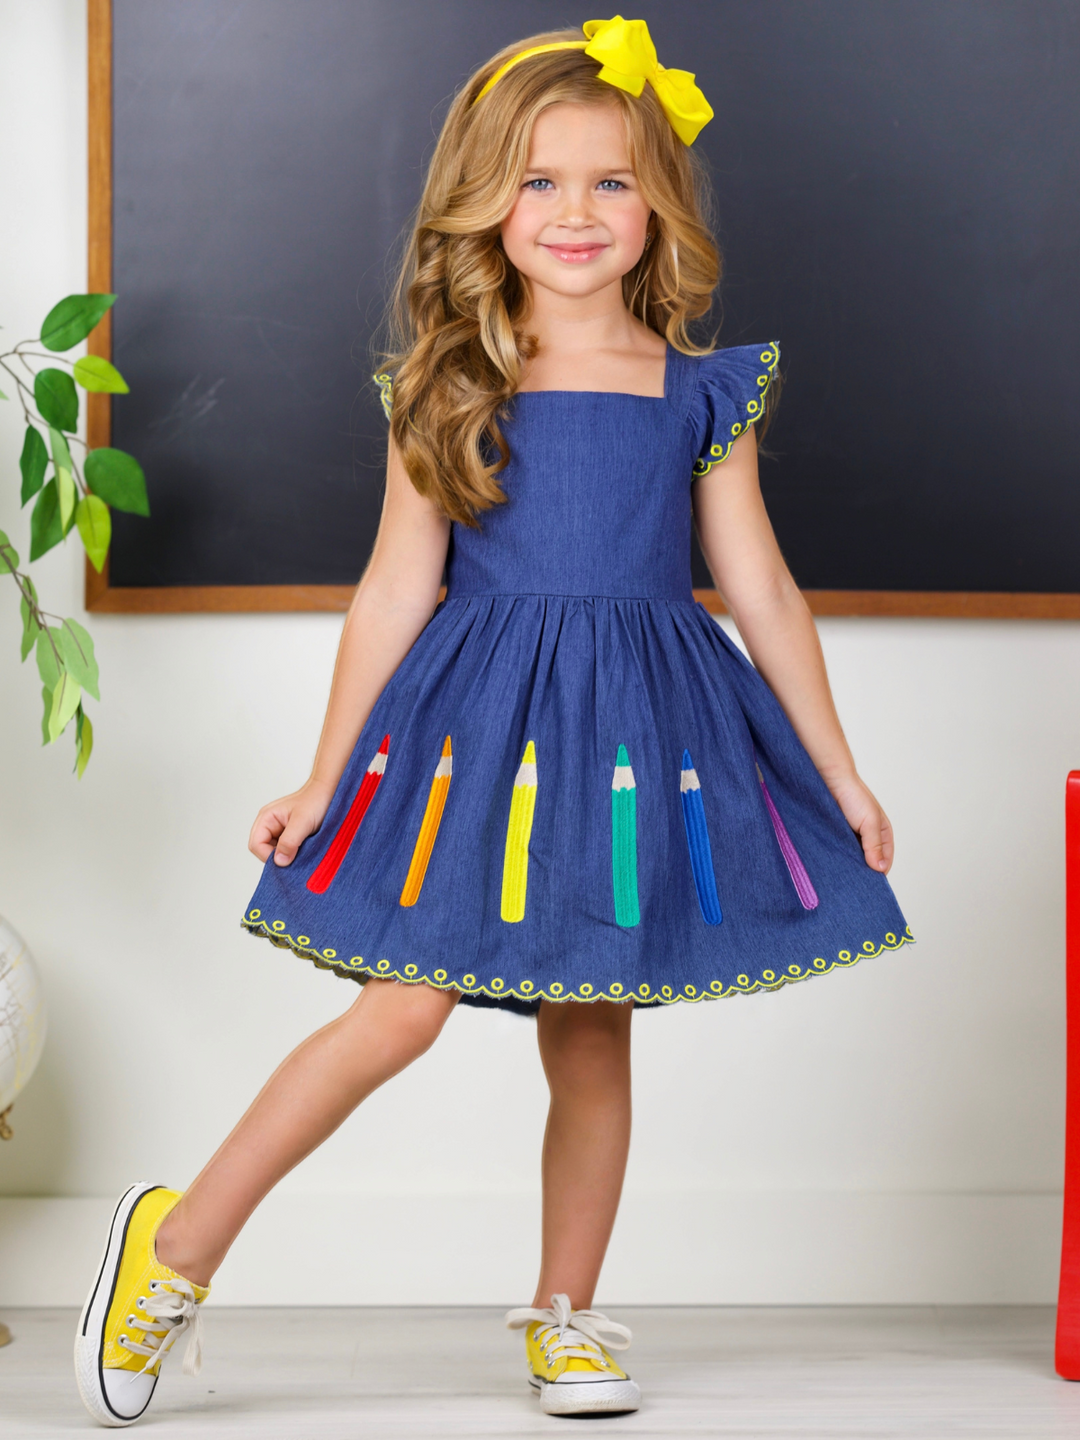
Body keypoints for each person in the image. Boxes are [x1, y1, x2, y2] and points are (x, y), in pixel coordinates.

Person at [75, 16, 910, 1427]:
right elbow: (394, 590)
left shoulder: (704, 391)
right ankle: (175, 1247)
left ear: (660, 204)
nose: (576, 212)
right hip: (476, 742)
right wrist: (325, 776)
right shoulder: (449, 382)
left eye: (611, 181)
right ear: (485, 203)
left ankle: (566, 1317)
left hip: (635, 741)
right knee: (400, 1010)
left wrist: (841, 773)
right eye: (539, 181)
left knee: (593, 1034)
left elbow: (761, 588)